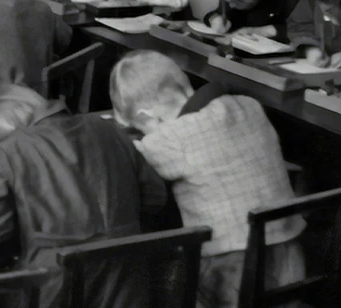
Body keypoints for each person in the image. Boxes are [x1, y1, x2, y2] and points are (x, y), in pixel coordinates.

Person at [110, 51, 305, 308]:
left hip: (233, 277)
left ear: (149, 117)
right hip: (292, 261)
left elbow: (127, 163)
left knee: (157, 274)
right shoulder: (249, 105)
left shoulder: (171, 139)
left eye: (141, 126)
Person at [0, 85, 167, 308]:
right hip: (130, 281)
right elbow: (156, 197)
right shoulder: (109, 128)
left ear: (4, 129)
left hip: (56, 288)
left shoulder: (10, 150)